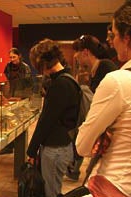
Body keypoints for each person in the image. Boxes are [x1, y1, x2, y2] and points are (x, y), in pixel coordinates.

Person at [76, 2, 131, 197]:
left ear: (126, 37)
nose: (112, 42)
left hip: (114, 184)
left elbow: (82, 145)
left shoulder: (118, 81)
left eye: (114, 35)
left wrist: (102, 131)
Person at [26, 39, 80, 197]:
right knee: (54, 188)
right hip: (63, 145)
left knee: (51, 192)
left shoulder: (60, 85)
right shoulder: (67, 79)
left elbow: (46, 121)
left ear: (42, 62)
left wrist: (31, 151)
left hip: (56, 148)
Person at [65, 35, 118, 181]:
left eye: (77, 52)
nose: (75, 56)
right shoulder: (95, 71)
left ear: (86, 52)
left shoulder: (106, 68)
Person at [0, 47, 31, 155]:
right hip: (10, 96)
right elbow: (6, 80)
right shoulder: (8, 66)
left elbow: (28, 85)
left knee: (19, 122)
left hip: (21, 97)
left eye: (14, 57)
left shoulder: (25, 67)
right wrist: (4, 95)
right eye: (10, 57)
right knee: (7, 121)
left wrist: (22, 97)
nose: (12, 59)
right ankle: (8, 146)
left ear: (19, 56)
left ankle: (20, 148)